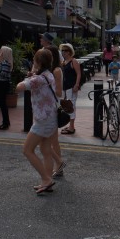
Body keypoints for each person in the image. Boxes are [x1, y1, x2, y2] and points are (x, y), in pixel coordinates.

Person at [16, 49, 57, 194]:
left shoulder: (37, 79)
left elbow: (19, 87)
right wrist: (34, 73)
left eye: (34, 61)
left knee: (27, 150)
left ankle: (46, 179)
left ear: (38, 63)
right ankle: (46, 181)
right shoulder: (48, 75)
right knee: (45, 151)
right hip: (51, 118)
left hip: (42, 121)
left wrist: (31, 75)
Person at [44, 46, 66, 179]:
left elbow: (59, 92)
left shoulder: (57, 70)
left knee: (51, 140)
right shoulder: (48, 70)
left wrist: (44, 84)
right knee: (50, 139)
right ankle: (58, 165)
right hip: (46, 108)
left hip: (52, 107)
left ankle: (58, 165)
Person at [60, 43, 81, 135]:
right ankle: (70, 125)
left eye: (65, 51)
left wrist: (76, 85)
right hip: (64, 87)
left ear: (69, 52)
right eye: (62, 50)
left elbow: (78, 73)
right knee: (66, 106)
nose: (63, 52)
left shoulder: (74, 61)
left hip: (71, 87)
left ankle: (71, 127)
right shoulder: (63, 62)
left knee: (71, 106)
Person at [0, 45, 13, 130]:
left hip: (2, 84)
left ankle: (5, 123)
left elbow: (3, 74)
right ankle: (6, 122)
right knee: (3, 104)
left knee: (3, 104)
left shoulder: (4, 62)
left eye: (1, 51)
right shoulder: (4, 62)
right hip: (2, 84)